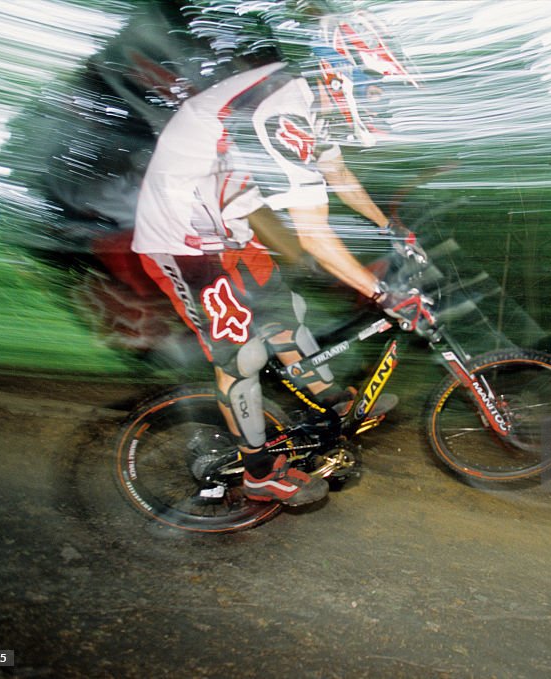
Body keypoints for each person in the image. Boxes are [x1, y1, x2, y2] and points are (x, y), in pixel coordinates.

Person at [131, 10, 422, 506]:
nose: (380, 100)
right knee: (242, 353)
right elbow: (312, 234)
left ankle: (330, 402)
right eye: (374, 86)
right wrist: (381, 294)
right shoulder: (279, 108)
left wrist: (388, 225)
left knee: (287, 316)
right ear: (341, 70)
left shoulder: (308, 103)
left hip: (232, 221)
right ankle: (260, 472)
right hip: (182, 236)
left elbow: (338, 174)